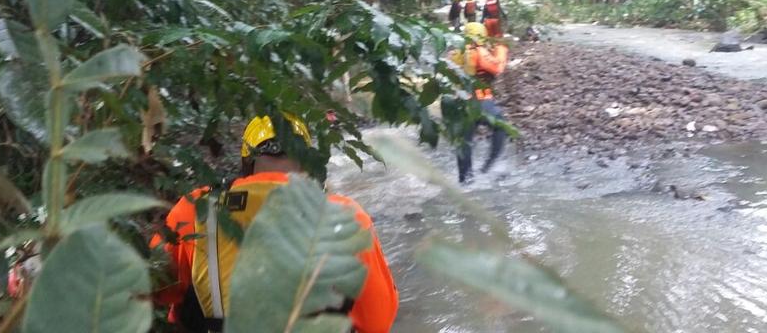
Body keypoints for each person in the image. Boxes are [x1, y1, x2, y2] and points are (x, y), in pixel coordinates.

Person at [152, 114, 398, 333]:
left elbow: (154, 289)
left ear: (247, 164)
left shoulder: (195, 208)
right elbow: (377, 322)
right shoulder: (346, 215)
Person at [450, 22, 510, 183]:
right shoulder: (478, 51)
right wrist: (501, 49)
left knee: (464, 142)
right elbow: (497, 68)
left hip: (459, 103)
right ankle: (488, 166)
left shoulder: (456, 53)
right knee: (500, 125)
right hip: (480, 101)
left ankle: (465, 179)